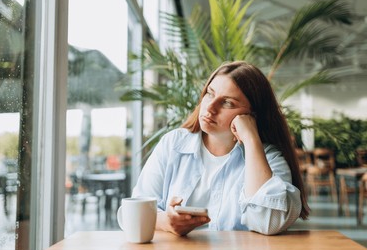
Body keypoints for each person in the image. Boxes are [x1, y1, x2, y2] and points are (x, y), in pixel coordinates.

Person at [132, 61, 310, 236]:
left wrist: (250, 138)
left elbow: (269, 223)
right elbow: (132, 214)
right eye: (210, 94)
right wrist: (166, 222)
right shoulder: (173, 144)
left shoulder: (269, 158)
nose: (210, 107)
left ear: (251, 116)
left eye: (227, 103)